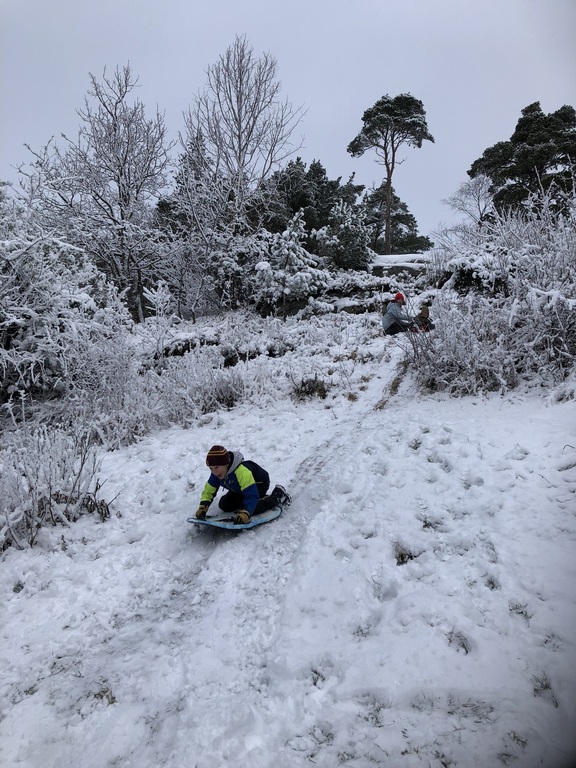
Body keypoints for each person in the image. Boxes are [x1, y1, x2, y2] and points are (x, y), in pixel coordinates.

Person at [195, 445, 291, 524]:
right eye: (211, 468)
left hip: (258, 484)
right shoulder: (217, 474)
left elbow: (251, 494)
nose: (214, 471)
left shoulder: (241, 471)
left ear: (226, 464)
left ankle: (277, 495)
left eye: (217, 467)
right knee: (224, 505)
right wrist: (203, 506)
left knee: (254, 508)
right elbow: (209, 490)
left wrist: (247, 511)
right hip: (239, 489)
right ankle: (246, 503)